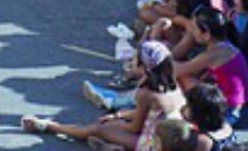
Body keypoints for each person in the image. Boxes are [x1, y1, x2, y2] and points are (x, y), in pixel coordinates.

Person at [21, 40, 185, 145]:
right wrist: (118, 116)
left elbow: (135, 128)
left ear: (145, 67)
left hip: (154, 143)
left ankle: (52, 127)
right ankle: (109, 145)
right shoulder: (173, 85)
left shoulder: (147, 94)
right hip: (167, 137)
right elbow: (151, 114)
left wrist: (115, 124)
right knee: (109, 125)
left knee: (98, 128)